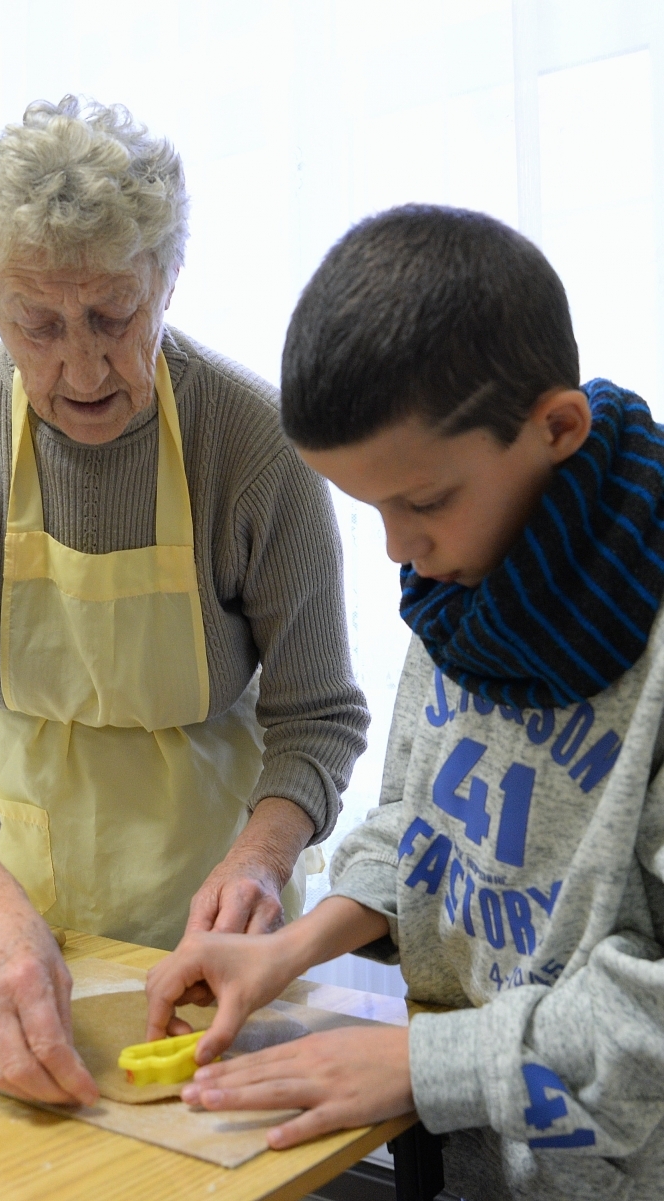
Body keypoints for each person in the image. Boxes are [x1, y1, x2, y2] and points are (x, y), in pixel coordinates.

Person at [145, 205, 664, 1200]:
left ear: (555, 427)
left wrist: (415, 1065)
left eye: (418, 503)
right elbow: (420, 824)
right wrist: (290, 948)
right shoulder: (461, 586)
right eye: (368, 508)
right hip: (479, 1162)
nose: (395, 551)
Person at [0, 97, 368, 1107]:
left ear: (167, 277)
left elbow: (315, 717)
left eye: (114, 315)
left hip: (210, 921)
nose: (82, 366)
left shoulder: (257, 445)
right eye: (37, 325)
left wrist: (263, 862)